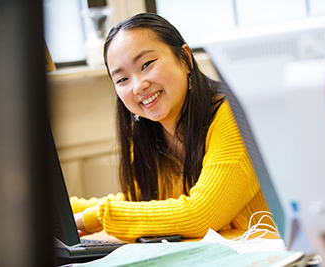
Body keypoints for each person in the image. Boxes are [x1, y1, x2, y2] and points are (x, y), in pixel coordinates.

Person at [70, 12, 275, 240]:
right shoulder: (147, 133)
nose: (138, 86)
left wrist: (97, 218)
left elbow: (201, 215)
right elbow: (140, 204)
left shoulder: (234, 117)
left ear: (185, 59)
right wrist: (65, 212)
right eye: (122, 79)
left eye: (146, 64)